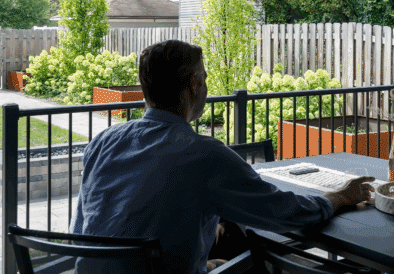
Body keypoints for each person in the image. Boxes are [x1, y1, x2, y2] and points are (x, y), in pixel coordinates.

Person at [70, 40, 373, 274]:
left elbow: (87, 226)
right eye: (203, 77)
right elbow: (284, 214)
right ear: (194, 85)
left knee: (227, 236)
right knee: (256, 256)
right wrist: (338, 197)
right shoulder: (203, 154)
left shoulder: (103, 142)